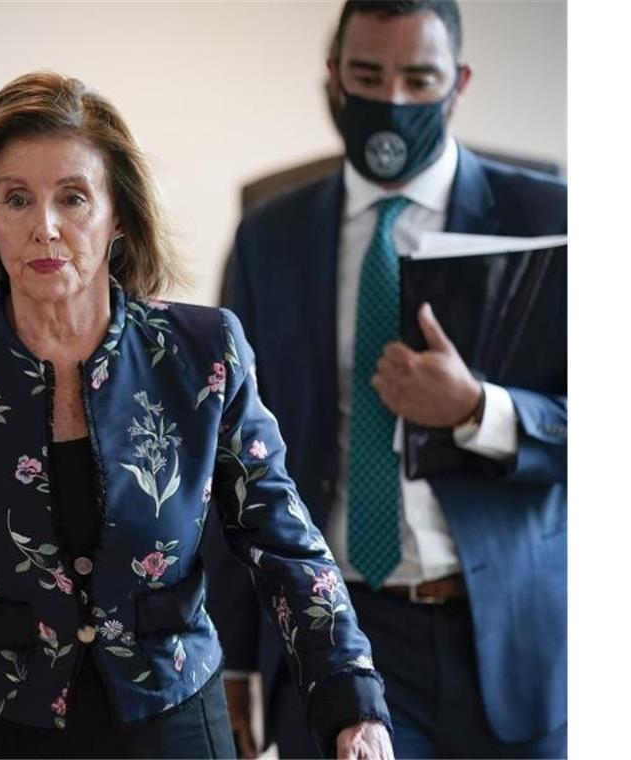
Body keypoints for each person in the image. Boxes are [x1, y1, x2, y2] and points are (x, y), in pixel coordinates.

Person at [0, 70, 393, 760]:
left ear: (118, 215)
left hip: (169, 719)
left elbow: (283, 541)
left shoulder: (202, 353)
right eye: (17, 199)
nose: (45, 227)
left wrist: (353, 705)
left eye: (73, 197)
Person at [211, 1, 567, 757]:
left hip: (507, 639)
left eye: (419, 78)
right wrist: (234, 657)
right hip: (332, 638)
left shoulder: (548, 214)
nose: (394, 100)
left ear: (458, 82)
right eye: (369, 75)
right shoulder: (269, 233)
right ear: (334, 77)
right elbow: (229, 452)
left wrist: (480, 409)